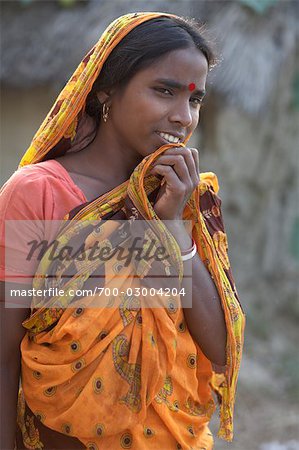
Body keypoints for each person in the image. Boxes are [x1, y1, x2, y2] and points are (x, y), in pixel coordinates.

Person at [0, 11, 245, 450]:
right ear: (106, 90)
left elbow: (221, 348)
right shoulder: (39, 194)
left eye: (194, 100)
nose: (182, 117)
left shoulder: (179, 195)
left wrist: (170, 225)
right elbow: (3, 355)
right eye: (164, 91)